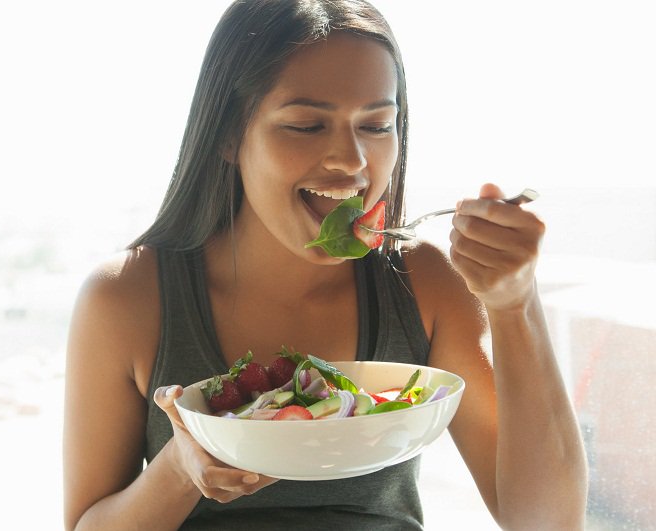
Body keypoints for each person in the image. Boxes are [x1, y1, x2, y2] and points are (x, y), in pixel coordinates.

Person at [62, 0, 588, 529]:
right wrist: (180, 466)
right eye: (307, 125)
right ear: (227, 135)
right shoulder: (125, 297)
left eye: (377, 125)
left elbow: (546, 522)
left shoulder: (424, 282)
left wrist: (514, 303)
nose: (352, 161)